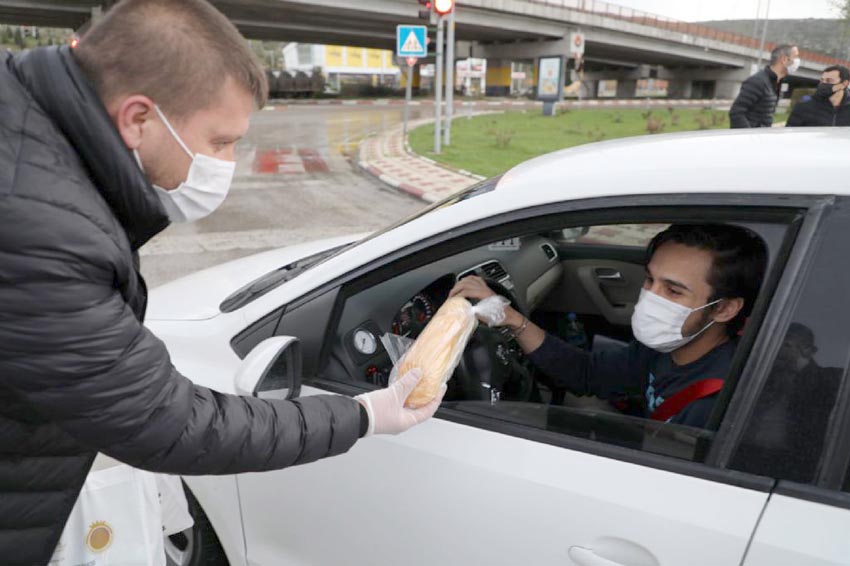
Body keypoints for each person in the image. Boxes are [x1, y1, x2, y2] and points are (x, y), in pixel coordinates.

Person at [0, 1, 442, 564]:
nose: (228, 163)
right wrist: (364, 415)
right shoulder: (43, 235)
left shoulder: (27, 135)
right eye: (219, 142)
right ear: (138, 118)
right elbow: (166, 421)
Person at [450, 224, 767, 428]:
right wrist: (510, 317)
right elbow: (586, 374)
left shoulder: (715, 403)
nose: (650, 297)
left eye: (673, 290)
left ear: (724, 308)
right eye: (649, 280)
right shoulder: (665, 347)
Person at [730, 44, 799, 128]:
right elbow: (736, 112)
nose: (797, 62)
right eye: (795, 57)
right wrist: (749, 138)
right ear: (784, 59)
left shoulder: (775, 83)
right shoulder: (758, 81)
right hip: (750, 139)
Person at [786, 65, 850, 127]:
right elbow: (790, 134)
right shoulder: (804, 107)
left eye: (829, 80)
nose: (824, 83)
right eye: (822, 80)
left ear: (844, 84)